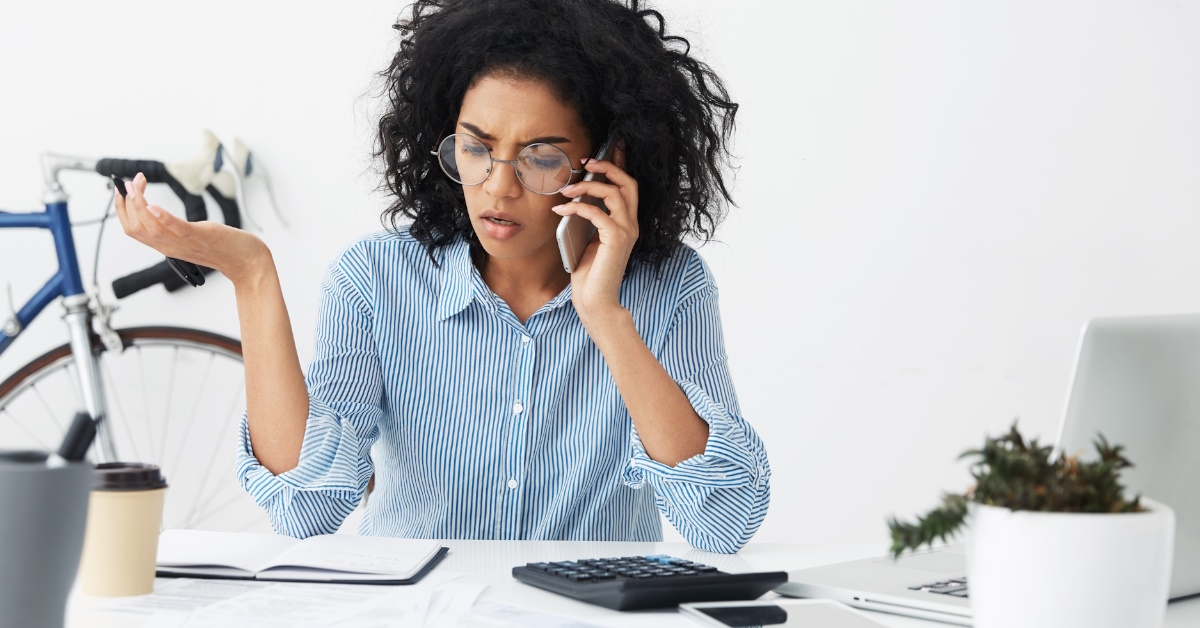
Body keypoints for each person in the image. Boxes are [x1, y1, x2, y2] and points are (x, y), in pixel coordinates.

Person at [113, 0, 770, 554]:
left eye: (541, 158)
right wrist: (251, 274)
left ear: (607, 161)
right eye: (477, 147)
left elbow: (723, 522)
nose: (498, 187)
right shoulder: (376, 279)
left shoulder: (670, 287)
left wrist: (604, 315)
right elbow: (304, 509)